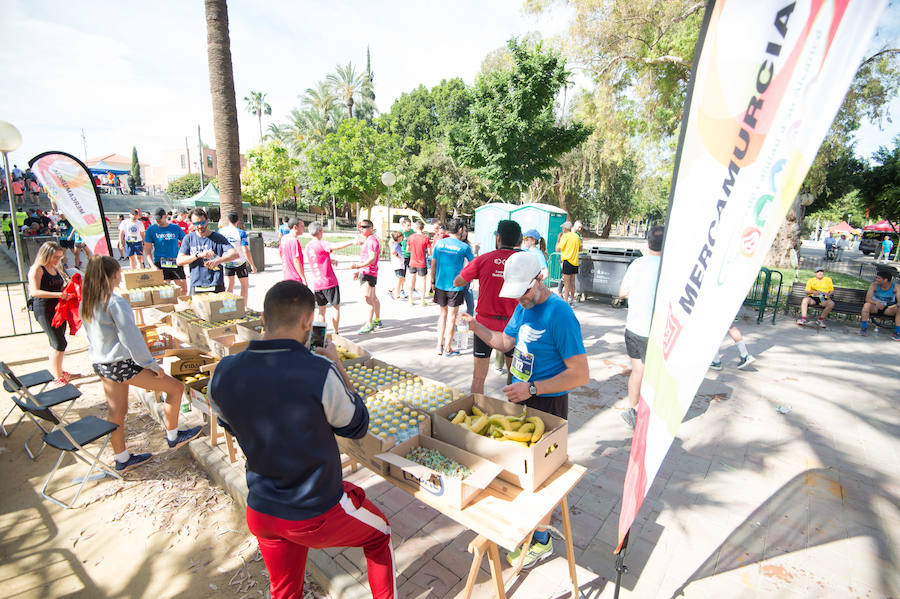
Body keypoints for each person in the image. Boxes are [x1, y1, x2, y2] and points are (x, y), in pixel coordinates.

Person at [208, 281, 395, 599]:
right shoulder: (319, 371)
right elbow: (356, 425)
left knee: (285, 591)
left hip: (263, 510)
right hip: (315, 512)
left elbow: (229, 423)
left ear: (264, 319)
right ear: (309, 322)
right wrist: (337, 365)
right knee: (380, 534)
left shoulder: (224, 371)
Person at [458, 250, 588, 568]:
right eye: (515, 292)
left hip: (547, 404)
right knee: (522, 470)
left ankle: (541, 540)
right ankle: (526, 527)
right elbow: (505, 343)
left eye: (524, 290)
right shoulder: (523, 305)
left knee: (541, 477)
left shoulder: (560, 314)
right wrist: (476, 327)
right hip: (521, 398)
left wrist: (532, 388)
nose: (520, 298)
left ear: (540, 278)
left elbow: (581, 373)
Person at [80, 256, 202, 472]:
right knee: (175, 388)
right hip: (121, 363)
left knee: (117, 411)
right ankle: (174, 436)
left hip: (102, 363)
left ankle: (122, 458)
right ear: (114, 275)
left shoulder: (88, 300)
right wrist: (150, 364)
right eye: (119, 271)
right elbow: (131, 338)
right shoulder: (115, 302)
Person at [453, 220, 522, 394]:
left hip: (484, 326)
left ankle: (476, 415)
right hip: (514, 326)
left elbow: (458, 281)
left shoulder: (484, 259)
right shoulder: (524, 261)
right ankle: (515, 416)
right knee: (516, 378)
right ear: (519, 239)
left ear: (498, 238)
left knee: (478, 378)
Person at [617, 226, 664, 429]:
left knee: (638, 371)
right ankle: (653, 414)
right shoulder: (668, 267)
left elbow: (622, 292)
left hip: (634, 327)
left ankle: (633, 409)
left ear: (647, 243)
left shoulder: (637, 263)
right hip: (656, 331)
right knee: (656, 374)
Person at [27, 242, 79, 385]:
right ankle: (58, 376)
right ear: (47, 255)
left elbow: (59, 287)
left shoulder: (54, 268)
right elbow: (34, 292)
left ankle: (59, 371)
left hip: (58, 308)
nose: (58, 260)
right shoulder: (37, 269)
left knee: (57, 341)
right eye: (55, 257)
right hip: (44, 309)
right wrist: (59, 295)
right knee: (59, 342)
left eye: (60, 257)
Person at [305, 221, 356, 335]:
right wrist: (352, 241)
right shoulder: (321, 243)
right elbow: (335, 246)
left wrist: (330, 260)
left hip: (318, 284)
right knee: (335, 308)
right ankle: (336, 333)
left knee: (321, 311)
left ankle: (319, 336)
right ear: (320, 231)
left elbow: (317, 258)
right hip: (329, 282)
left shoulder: (308, 246)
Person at [431, 218, 474, 356]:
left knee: (442, 314)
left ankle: (439, 345)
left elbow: (433, 264)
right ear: (460, 230)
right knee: (451, 316)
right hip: (455, 287)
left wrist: (432, 281)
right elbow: (474, 265)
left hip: (440, 285)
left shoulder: (439, 243)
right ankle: (447, 348)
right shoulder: (464, 247)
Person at [176, 208, 238, 294]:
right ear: (191, 223)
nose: (200, 226)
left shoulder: (218, 237)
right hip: (197, 285)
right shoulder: (189, 238)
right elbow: (179, 261)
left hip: (216, 284)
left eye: (202, 222)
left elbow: (235, 254)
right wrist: (198, 255)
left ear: (207, 221)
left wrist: (218, 260)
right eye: (196, 223)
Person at [144, 208, 187, 295]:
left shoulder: (175, 228)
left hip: (175, 261)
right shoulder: (151, 230)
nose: (158, 220)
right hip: (160, 262)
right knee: (164, 291)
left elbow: (186, 242)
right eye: (156, 219)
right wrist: (152, 265)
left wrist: (184, 256)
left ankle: (182, 306)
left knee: (183, 288)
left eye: (160, 218)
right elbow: (147, 250)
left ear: (166, 216)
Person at [218, 212, 258, 303]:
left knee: (229, 285)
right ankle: (243, 307)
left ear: (228, 220)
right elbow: (245, 250)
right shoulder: (241, 233)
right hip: (240, 262)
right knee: (244, 286)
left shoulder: (221, 232)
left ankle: (228, 306)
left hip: (227, 262)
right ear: (238, 221)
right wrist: (252, 265)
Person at [351, 219, 382, 334]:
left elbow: (372, 258)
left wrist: (359, 266)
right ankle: (377, 320)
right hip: (367, 271)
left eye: (364, 227)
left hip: (369, 272)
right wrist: (359, 269)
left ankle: (369, 324)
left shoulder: (371, 241)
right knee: (373, 297)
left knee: (368, 298)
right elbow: (366, 258)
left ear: (370, 228)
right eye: (360, 226)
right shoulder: (369, 240)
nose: (361, 228)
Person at [859, 269, 900, 340]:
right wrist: (876, 303)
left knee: (899, 310)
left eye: (879, 278)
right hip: (875, 306)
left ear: (886, 280)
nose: (876, 279)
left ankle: (897, 332)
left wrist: (897, 305)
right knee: (866, 305)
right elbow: (868, 299)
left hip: (888, 308)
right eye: (876, 277)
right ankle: (863, 328)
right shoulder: (874, 285)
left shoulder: (896, 287)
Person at [556, 220, 582, 305]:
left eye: (563, 228)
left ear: (565, 228)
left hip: (567, 261)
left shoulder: (565, 236)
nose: (562, 229)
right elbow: (580, 248)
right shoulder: (576, 236)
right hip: (575, 262)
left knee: (566, 283)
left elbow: (557, 249)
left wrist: (558, 240)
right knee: (572, 283)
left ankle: (566, 301)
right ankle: (572, 300)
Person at [406, 221, 431, 306]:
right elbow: (430, 251)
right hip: (422, 262)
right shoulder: (425, 238)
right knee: (423, 281)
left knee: (412, 279)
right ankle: (422, 300)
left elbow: (407, 249)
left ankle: (410, 299)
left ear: (416, 227)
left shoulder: (411, 237)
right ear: (422, 228)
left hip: (412, 261)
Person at [278, 217, 307, 285]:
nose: (303, 228)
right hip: (295, 278)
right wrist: (303, 278)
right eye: (302, 226)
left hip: (286, 276)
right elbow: (296, 260)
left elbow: (280, 253)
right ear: (295, 227)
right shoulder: (294, 241)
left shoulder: (284, 239)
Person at [398, 217, 414, 300]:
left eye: (410, 225)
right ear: (403, 225)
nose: (409, 227)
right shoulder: (400, 232)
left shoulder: (412, 232)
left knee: (412, 274)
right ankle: (401, 290)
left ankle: (412, 289)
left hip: (411, 255)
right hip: (403, 256)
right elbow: (394, 242)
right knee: (402, 275)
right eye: (408, 225)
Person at [388, 231, 406, 301]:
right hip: (398, 265)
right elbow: (393, 252)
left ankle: (391, 291)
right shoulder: (396, 244)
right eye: (401, 237)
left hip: (400, 264)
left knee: (401, 279)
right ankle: (397, 295)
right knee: (399, 280)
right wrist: (397, 255)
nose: (402, 238)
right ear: (398, 238)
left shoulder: (397, 244)